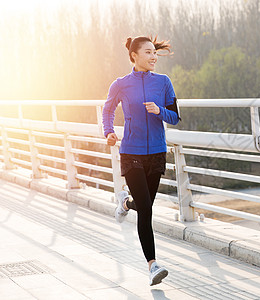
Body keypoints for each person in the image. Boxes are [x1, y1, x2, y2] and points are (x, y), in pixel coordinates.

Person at [102, 35, 180, 286]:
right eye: (148, 52)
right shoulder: (121, 84)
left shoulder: (164, 82)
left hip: (156, 153)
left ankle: (125, 203)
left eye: (154, 52)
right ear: (134, 56)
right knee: (146, 209)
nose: (153, 56)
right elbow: (108, 109)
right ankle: (152, 265)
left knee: (143, 204)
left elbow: (176, 117)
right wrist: (109, 131)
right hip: (132, 153)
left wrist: (160, 111)